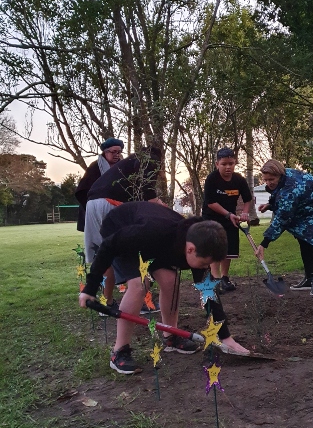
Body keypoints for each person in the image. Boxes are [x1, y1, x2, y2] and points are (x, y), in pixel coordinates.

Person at [79, 202, 250, 374]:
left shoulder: (197, 242)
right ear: (190, 249)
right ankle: (119, 351)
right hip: (120, 229)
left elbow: (208, 291)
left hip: (156, 244)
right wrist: (90, 289)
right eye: (205, 263)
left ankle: (171, 337)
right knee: (140, 285)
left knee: (170, 281)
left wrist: (225, 336)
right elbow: (108, 246)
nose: (205, 267)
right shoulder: (150, 232)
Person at [83, 146, 165, 311]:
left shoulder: (128, 163)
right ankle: (141, 302)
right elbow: (149, 195)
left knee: (105, 251)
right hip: (110, 203)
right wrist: (165, 210)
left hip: (92, 204)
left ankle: (108, 303)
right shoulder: (149, 161)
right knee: (132, 251)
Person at [256, 160, 313, 297]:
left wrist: (264, 243)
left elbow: (282, 219)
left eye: (271, 179)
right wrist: (270, 204)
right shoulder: (286, 176)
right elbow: (280, 195)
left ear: (280, 175)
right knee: (304, 238)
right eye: (266, 180)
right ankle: (309, 278)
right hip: (310, 208)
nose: (269, 183)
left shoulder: (291, 188)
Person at [75, 137, 124, 308]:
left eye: (119, 152)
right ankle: (105, 297)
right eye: (113, 152)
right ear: (105, 152)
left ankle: (117, 289)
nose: (116, 155)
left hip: (117, 213)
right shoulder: (96, 167)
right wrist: (94, 209)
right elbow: (81, 191)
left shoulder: (122, 168)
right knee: (103, 253)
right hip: (98, 214)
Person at [202, 147, 252, 292]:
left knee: (228, 249)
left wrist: (245, 213)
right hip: (212, 218)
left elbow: (247, 199)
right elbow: (210, 203)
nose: (228, 167)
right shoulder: (212, 179)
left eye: (231, 163)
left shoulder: (239, 180)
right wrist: (228, 214)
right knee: (215, 247)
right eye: (224, 164)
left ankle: (224, 278)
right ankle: (215, 279)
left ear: (235, 163)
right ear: (217, 164)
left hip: (231, 218)